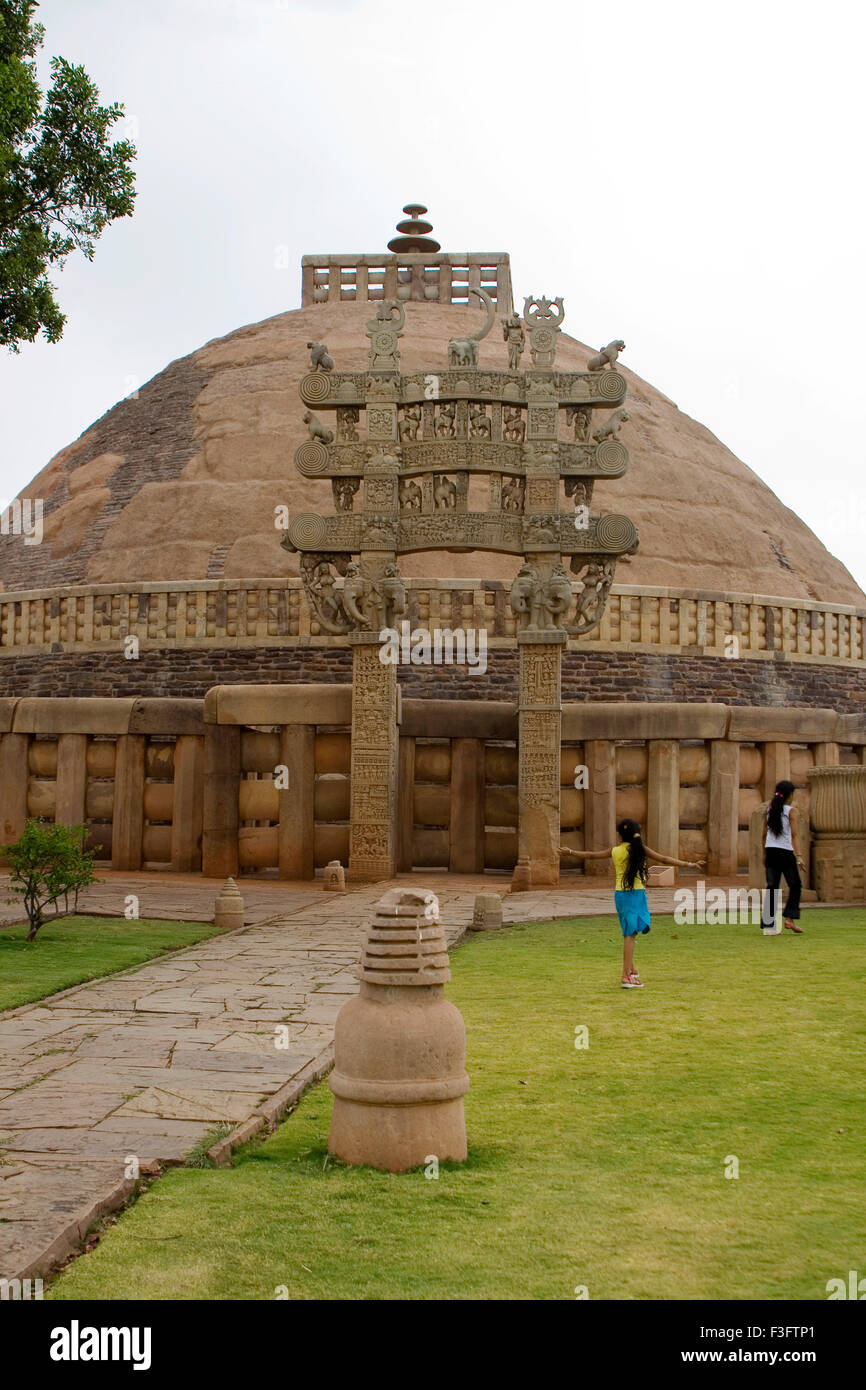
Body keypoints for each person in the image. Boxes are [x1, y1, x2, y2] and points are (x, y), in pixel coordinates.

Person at [561, 819, 705, 988]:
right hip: (635, 895)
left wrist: (570, 851)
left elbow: (592, 855)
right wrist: (690, 864)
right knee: (630, 935)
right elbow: (664, 859)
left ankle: (631, 968)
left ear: (620, 835)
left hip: (620, 895)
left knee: (630, 933)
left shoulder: (616, 850)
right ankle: (625, 975)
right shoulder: (640, 849)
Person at [762, 779, 804, 934]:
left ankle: (769, 927)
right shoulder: (791, 811)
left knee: (772, 887)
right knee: (795, 885)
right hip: (785, 852)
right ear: (790, 795)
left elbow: (764, 834)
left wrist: (763, 854)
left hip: (771, 852)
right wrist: (799, 855)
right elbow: (794, 834)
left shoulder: (769, 810)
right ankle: (789, 919)